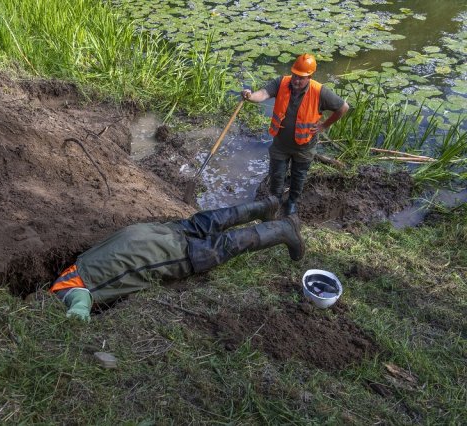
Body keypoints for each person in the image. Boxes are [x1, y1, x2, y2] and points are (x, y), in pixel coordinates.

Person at [35, 196, 304, 321]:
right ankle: (264, 206)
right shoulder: (71, 270)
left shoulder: (62, 293)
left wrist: (77, 316)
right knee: (202, 224)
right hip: (143, 234)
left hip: (149, 253)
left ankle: (282, 229)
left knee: (216, 248)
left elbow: (78, 300)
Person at [241, 53, 349, 216]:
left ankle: (291, 202)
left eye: (301, 78)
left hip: (304, 147)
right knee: (277, 175)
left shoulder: (319, 92)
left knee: (299, 177)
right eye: (295, 76)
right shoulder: (281, 82)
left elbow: (343, 107)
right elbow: (263, 93)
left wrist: (324, 126)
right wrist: (250, 96)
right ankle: (274, 203)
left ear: (310, 76)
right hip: (281, 144)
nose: (296, 80)